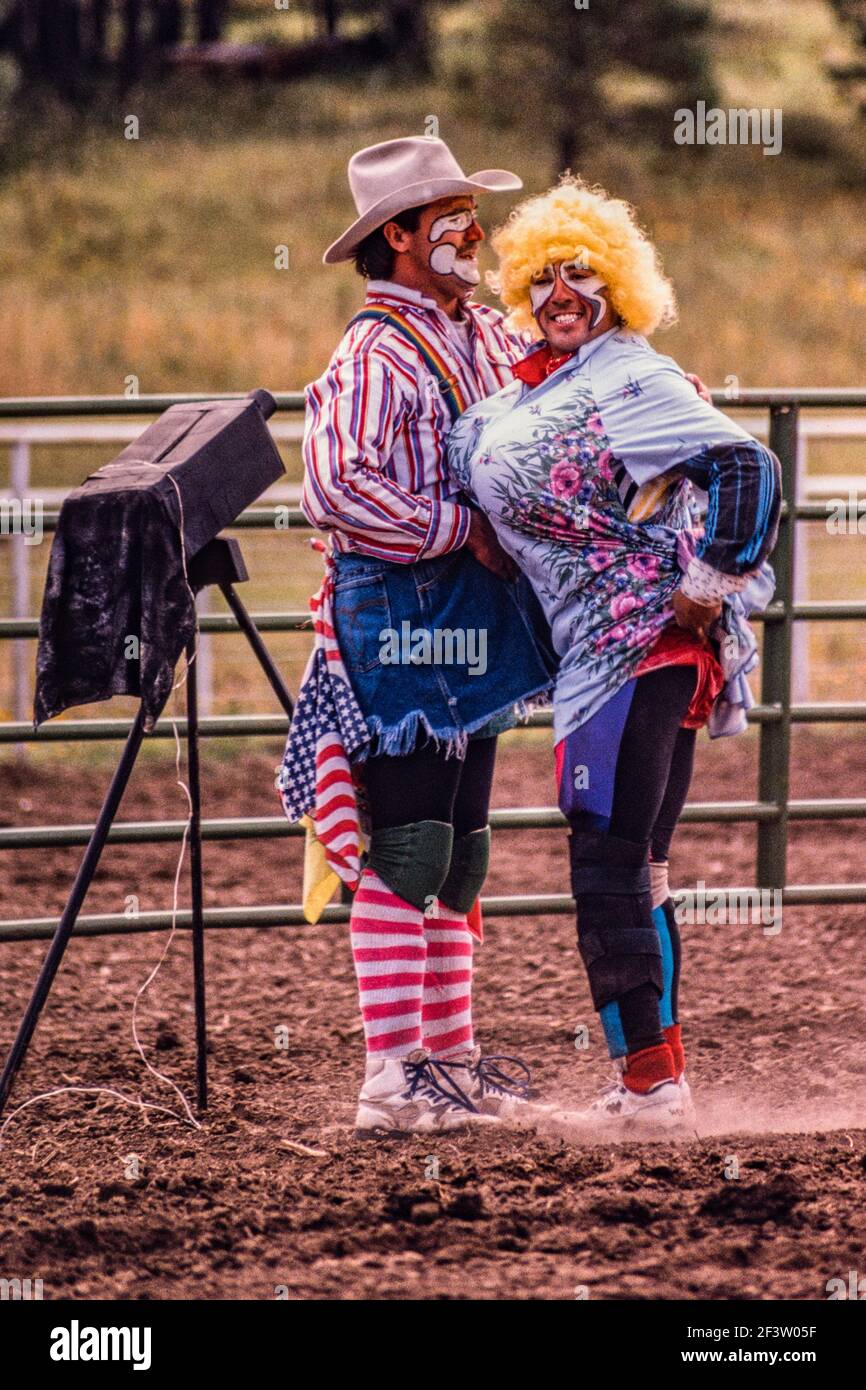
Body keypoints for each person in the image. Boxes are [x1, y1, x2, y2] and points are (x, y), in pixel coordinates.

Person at [448, 176, 781, 1135]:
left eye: (582, 275)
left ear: (618, 288)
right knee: (640, 869)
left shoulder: (629, 378)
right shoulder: (548, 382)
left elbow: (749, 470)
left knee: (606, 864)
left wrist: (708, 586)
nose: (560, 293)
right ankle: (657, 1082)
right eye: (543, 277)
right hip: (609, 656)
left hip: (639, 647)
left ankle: (649, 1089)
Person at [281, 137, 559, 1137]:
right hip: (400, 617)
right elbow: (336, 487)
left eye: (466, 211)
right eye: (447, 215)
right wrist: (460, 529)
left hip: (458, 618)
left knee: (459, 853)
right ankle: (394, 1076)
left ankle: (447, 1064)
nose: (469, 231)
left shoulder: (480, 332)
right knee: (409, 846)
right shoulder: (371, 352)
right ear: (397, 236)